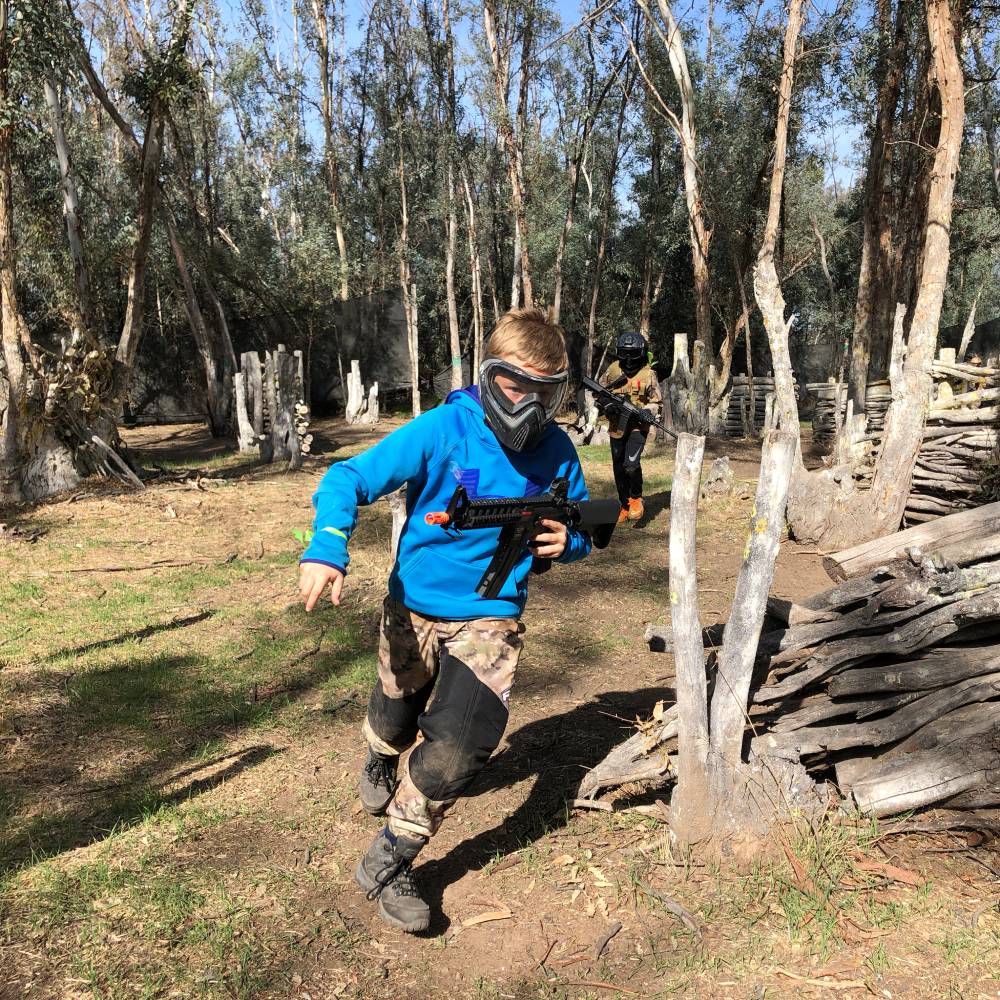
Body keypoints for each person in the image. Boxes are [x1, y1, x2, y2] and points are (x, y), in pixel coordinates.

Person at [298, 307, 594, 933]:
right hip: (413, 607)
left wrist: (565, 543)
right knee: (397, 708)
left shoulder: (558, 451)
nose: (532, 406)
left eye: (547, 392)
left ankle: (395, 857)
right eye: (519, 387)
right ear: (488, 376)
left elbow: (583, 528)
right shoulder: (442, 429)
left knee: (462, 743)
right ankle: (380, 755)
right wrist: (327, 546)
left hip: (492, 617)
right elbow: (347, 476)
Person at [599, 331, 663, 522]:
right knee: (619, 467)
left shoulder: (649, 374)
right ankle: (623, 504)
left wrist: (648, 411)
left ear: (641, 353)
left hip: (638, 427)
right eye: (624, 353)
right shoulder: (612, 370)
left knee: (631, 465)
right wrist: (607, 405)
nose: (627, 359)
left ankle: (635, 498)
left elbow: (657, 402)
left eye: (633, 354)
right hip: (616, 427)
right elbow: (600, 392)